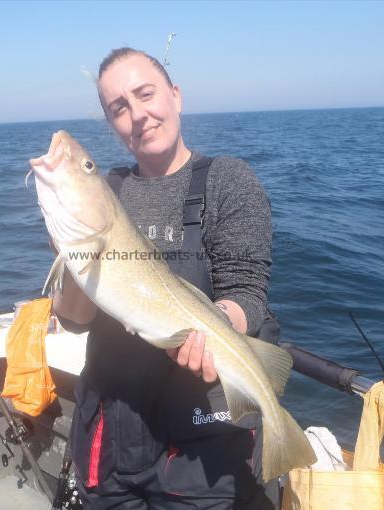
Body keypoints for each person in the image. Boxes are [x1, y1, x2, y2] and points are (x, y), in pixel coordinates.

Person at [49, 47, 276, 509]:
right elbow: (72, 320)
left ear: (175, 96)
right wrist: (76, 255)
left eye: (145, 94)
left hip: (200, 434)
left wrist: (215, 331)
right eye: (118, 107)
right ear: (112, 123)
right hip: (109, 432)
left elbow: (246, 294)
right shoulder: (105, 192)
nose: (137, 114)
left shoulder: (228, 180)